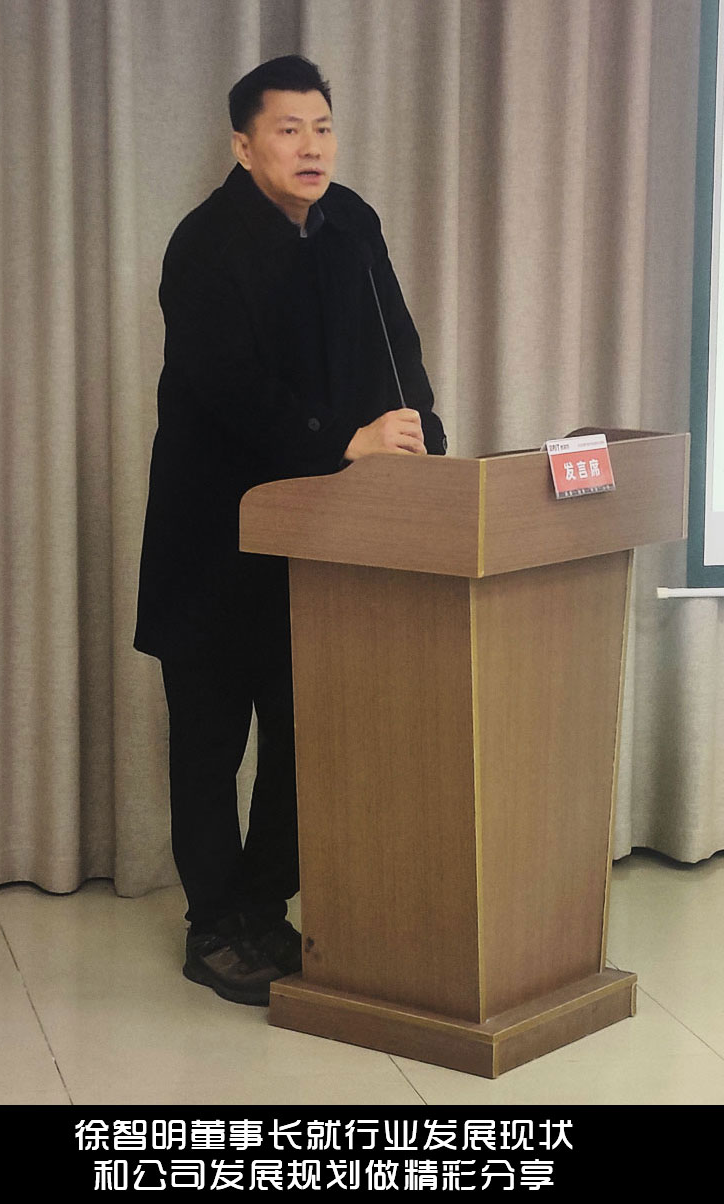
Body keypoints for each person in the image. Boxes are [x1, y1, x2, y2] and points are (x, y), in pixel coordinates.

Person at [135, 55, 446, 1006]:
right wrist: (341, 439)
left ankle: (266, 905)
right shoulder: (204, 243)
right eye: (288, 130)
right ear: (243, 145)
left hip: (325, 535)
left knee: (302, 736)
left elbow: (396, 343)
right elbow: (226, 386)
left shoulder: (350, 222)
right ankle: (213, 923)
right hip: (215, 533)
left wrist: (422, 438)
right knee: (209, 740)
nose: (312, 148)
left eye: (323, 127)